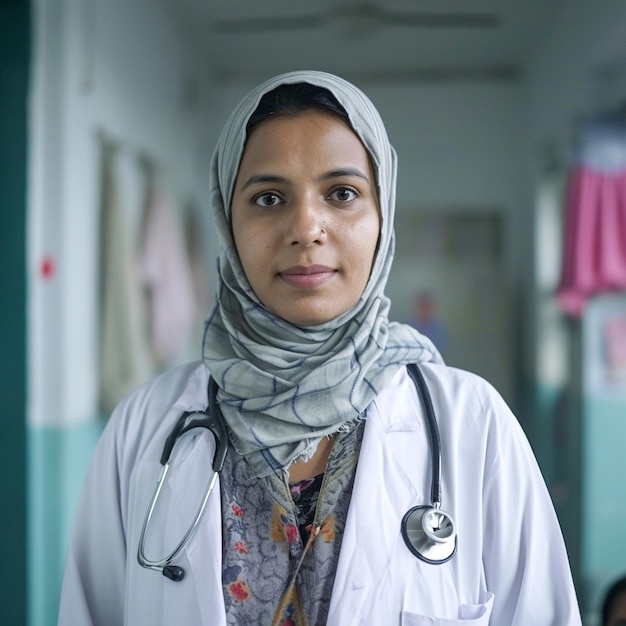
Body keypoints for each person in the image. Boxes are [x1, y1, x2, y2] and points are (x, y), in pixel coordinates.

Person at [58, 70, 582, 625]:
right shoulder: (144, 426)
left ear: (382, 217)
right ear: (227, 222)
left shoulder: (473, 424)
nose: (306, 227)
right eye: (267, 197)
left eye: (342, 193)